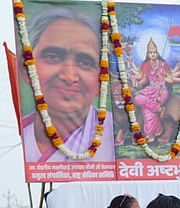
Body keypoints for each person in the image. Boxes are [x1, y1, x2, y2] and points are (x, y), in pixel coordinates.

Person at [20, 7, 116, 163]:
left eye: (85, 62)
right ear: (26, 69)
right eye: (53, 57)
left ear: (101, 81)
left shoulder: (117, 135)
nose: (69, 77)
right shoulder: (14, 141)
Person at [130, 39, 178, 141]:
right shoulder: (146, 64)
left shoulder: (163, 64)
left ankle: (150, 133)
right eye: (151, 52)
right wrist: (136, 84)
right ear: (148, 53)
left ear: (157, 53)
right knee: (137, 99)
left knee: (147, 109)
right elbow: (144, 79)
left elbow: (171, 79)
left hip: (161, 90)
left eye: (154, 52)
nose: (153, 54)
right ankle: (158, 110)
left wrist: (162, 77)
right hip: (150, 90)